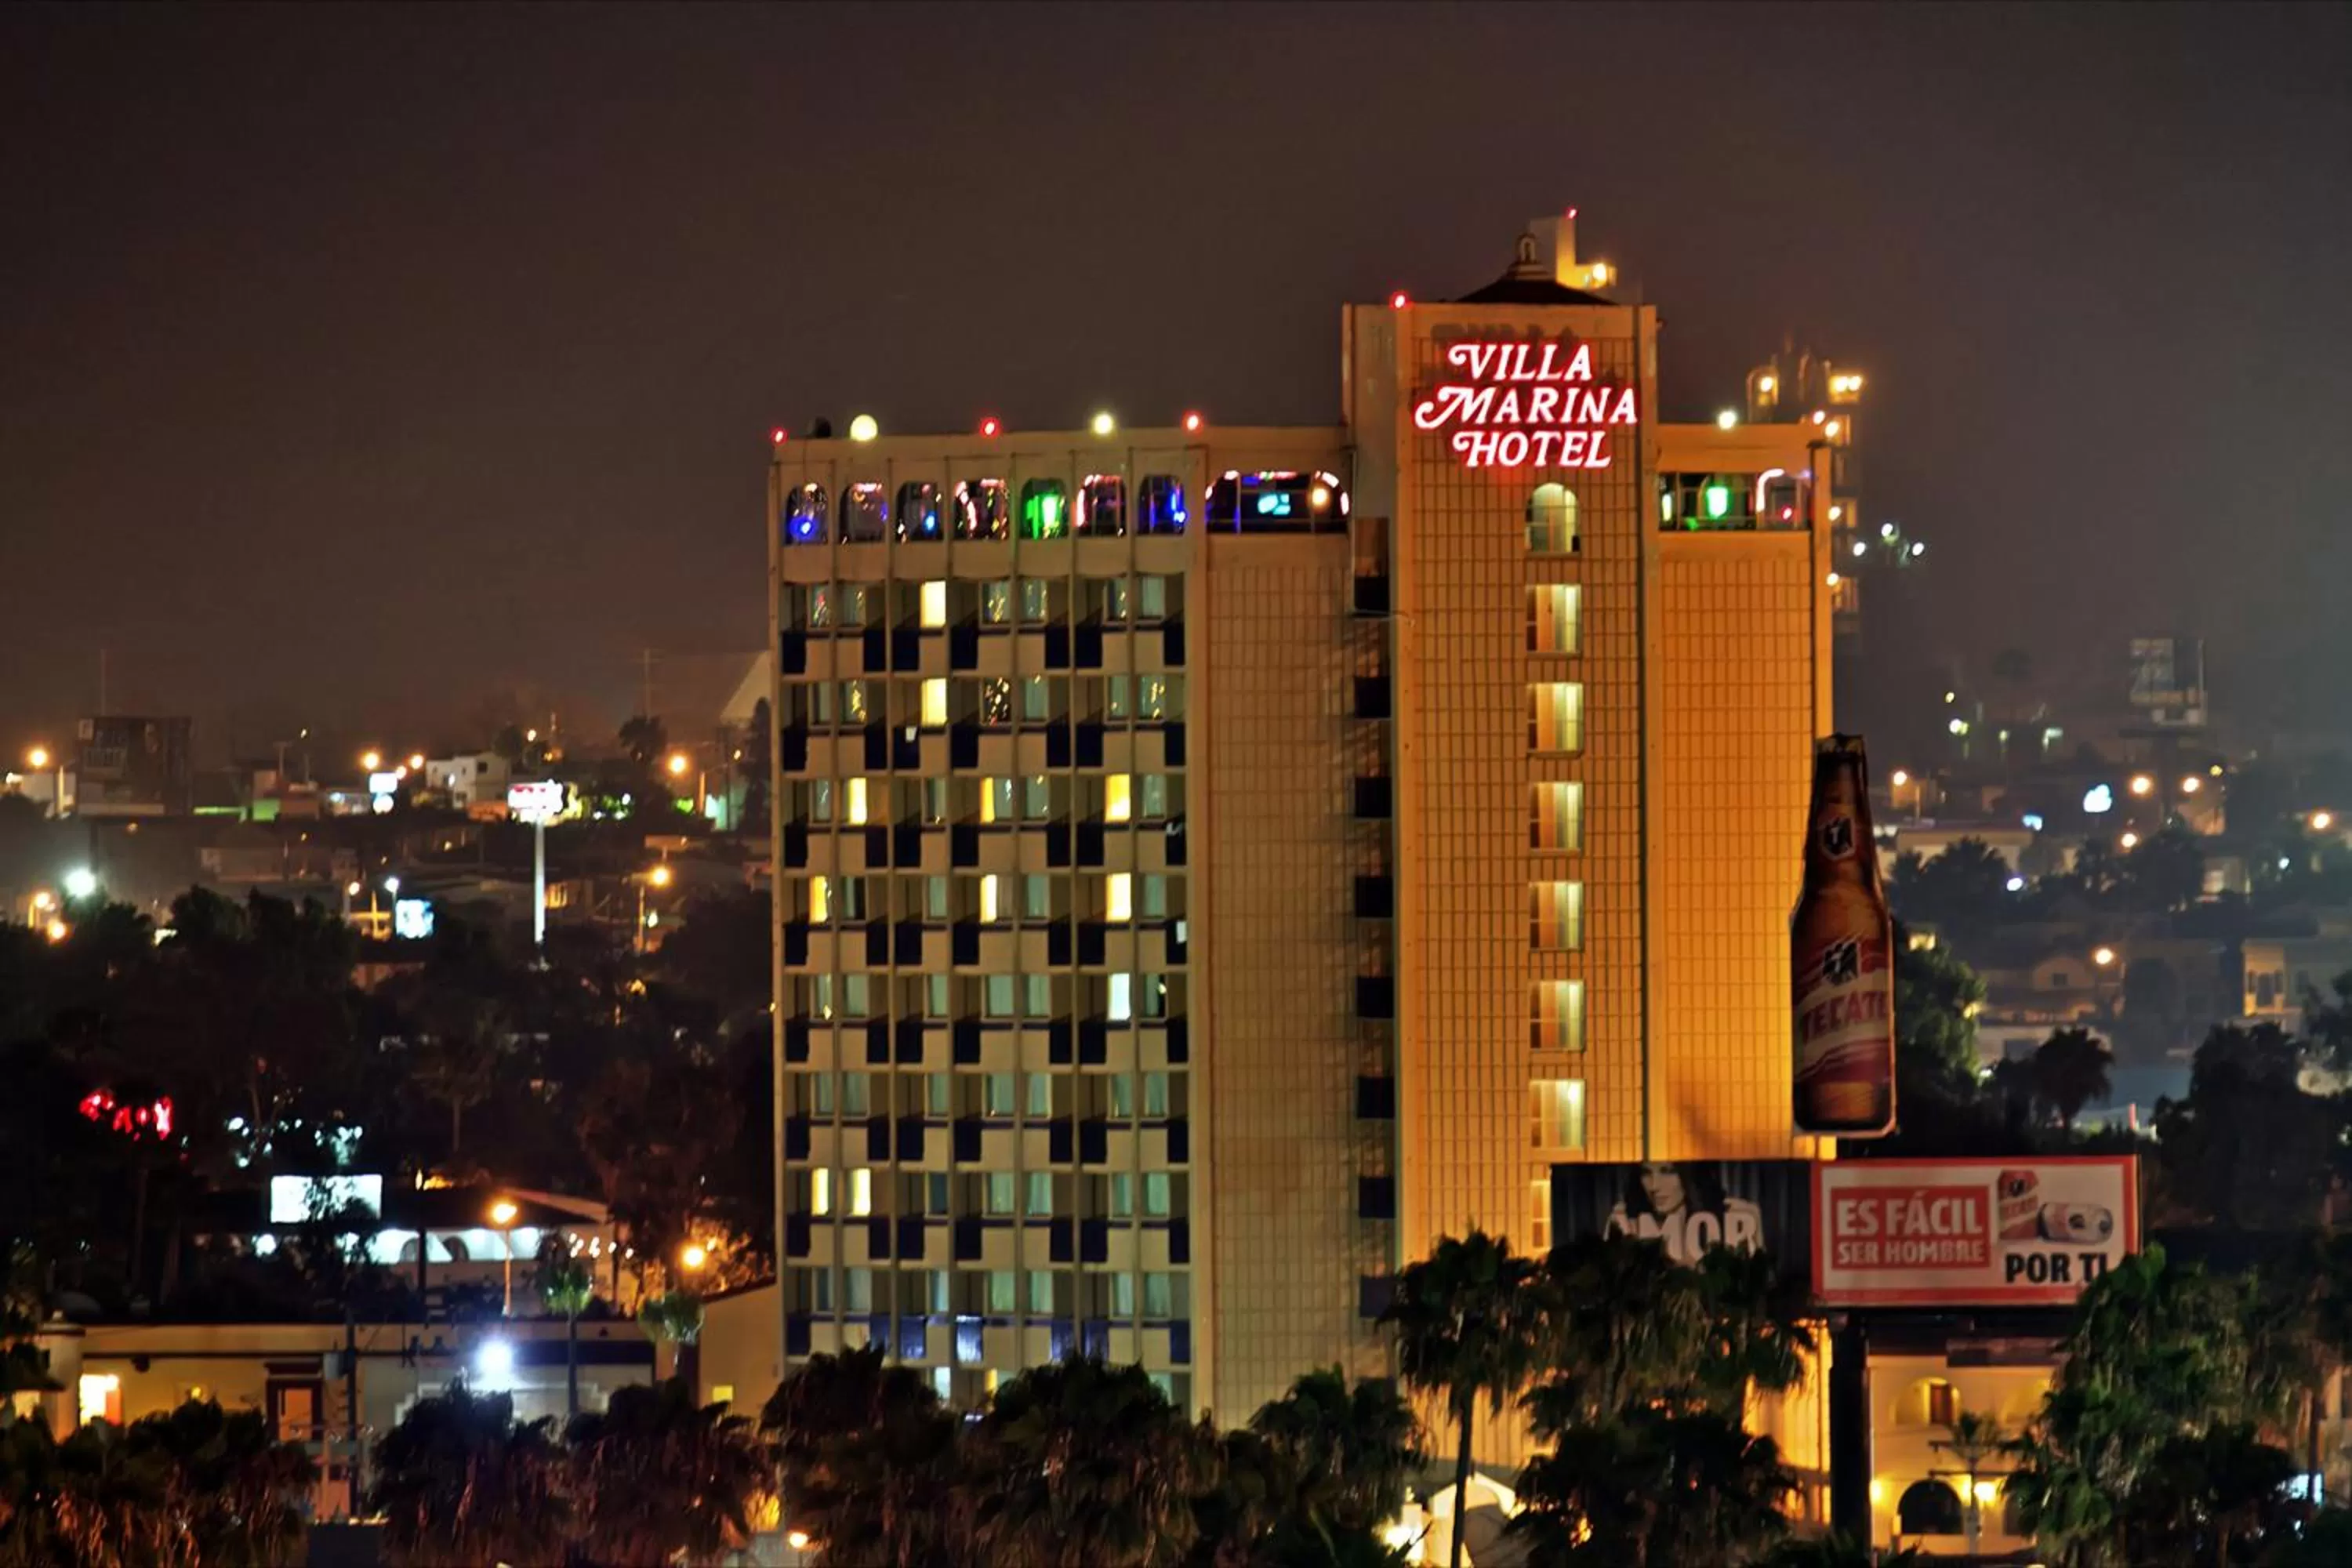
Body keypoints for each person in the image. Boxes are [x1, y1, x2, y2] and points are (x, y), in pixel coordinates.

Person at [1604, 1161, 1763, 1263]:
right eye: (1646, 1173)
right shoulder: (1622, 1220)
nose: (1654, 1186)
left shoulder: (1740, 1215)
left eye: (1667, 1171)